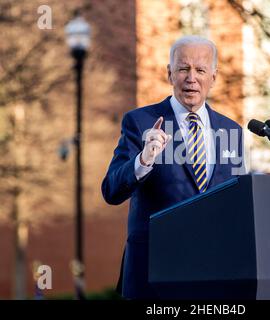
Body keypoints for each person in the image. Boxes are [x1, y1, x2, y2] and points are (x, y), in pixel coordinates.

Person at [101, 35, 244, 299]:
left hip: (213, 278)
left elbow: (233, 204)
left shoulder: (231, 130)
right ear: (169, 74)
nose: (192, 78)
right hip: (154, 276)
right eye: (183, 68)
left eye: (200, 70)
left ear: (213, 77)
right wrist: (143, 160)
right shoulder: (140, 121)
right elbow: (111, 190)